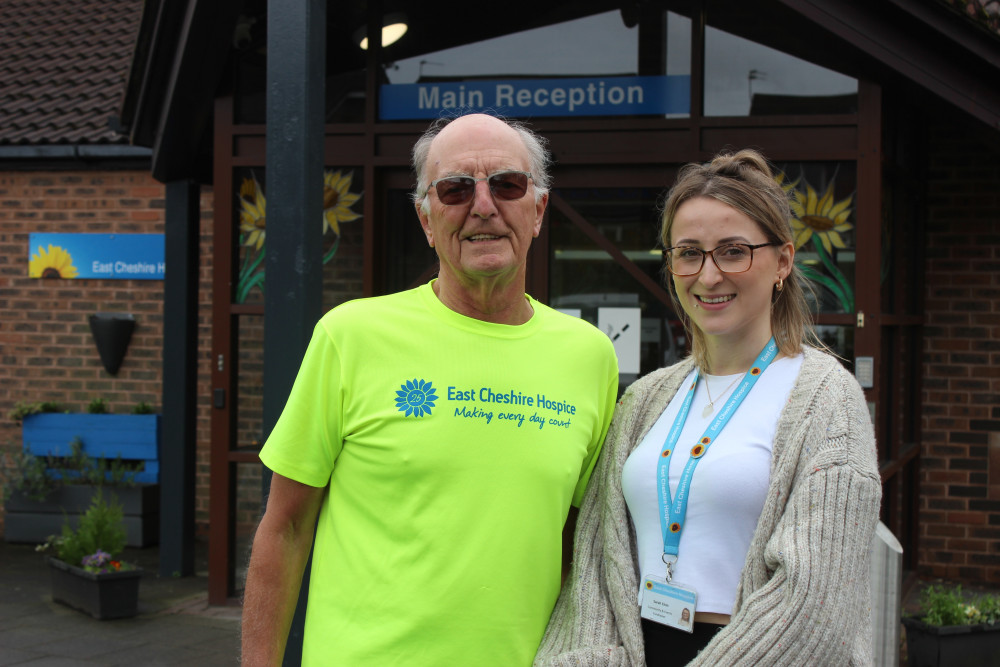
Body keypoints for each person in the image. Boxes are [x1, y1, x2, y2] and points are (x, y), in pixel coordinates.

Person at [241, 113, 619, 666]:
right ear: (425, 217)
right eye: (455, 189)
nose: (483, 206)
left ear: (537, 210)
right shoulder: (351, 336)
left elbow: (576, 540)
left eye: (507, 185)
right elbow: (287, 527)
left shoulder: (589, 357)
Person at [535, 149, 882, 666]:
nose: (709, 274)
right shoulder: (645, 399)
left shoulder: (827, 399)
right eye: (689, 252)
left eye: (733, 251)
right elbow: (597, 566)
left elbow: (815, 606)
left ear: (782, 261)